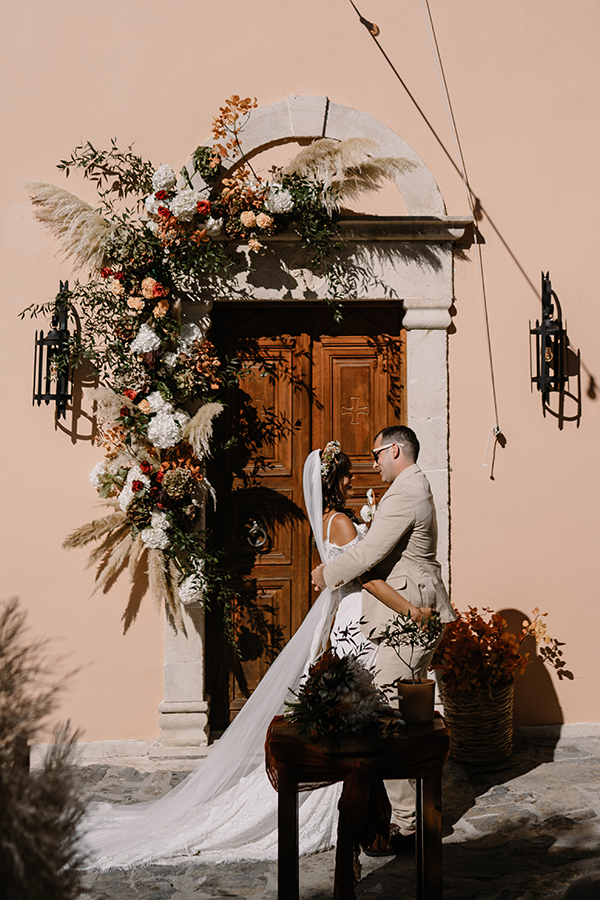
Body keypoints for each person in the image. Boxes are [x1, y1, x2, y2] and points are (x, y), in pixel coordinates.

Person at [80, 443, 410, 869]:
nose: (351, 481)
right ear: (334, 481)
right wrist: (407, 606)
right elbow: (363, 574)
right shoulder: (342, 522)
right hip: (354, 615)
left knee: (348, 709)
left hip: (345, 615)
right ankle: (351, 800)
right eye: (345, 475)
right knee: (356, 711)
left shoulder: (329, 520)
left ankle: (357, 796)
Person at [312, 425, 456, 853]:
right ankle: (421, 815)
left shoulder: (404, 492)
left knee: (388, 718)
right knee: (407, 718)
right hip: (411, 610)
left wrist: (326, 573)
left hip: (409, 615)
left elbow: (369, 552)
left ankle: (410, 827)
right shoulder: (412, 487)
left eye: (376, 454)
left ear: (395, 450)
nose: (373, 464)